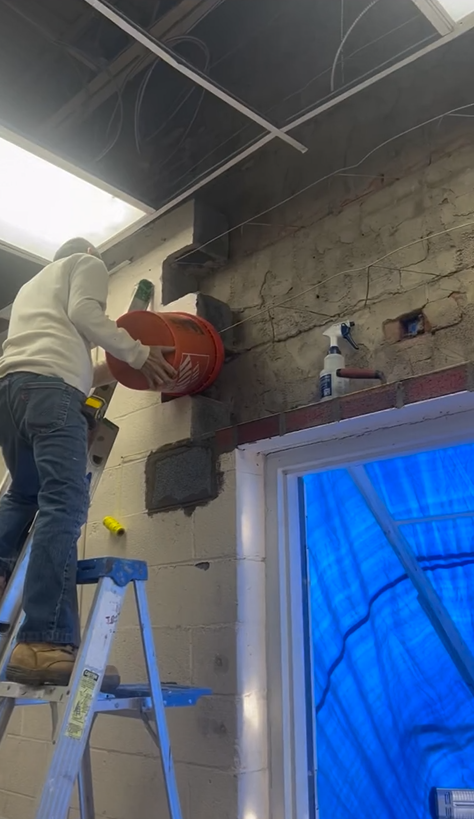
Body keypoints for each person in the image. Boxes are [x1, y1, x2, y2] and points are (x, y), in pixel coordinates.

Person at [0, 237, 176, 688]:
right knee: (64, 503)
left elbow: (74, 361)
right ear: (88, 256)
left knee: (23, 496)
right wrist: (139, 353)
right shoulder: (87, 263)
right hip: (50, 392)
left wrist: (122, 363)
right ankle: (43, 642)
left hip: (12, 393)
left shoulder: (30, 290)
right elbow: (85, 314)